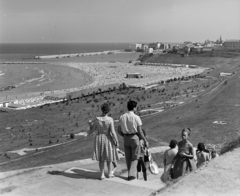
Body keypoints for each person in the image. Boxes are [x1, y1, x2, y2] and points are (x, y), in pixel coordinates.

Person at [118, 100, 149, 181]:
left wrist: (124, 136)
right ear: (134, 107)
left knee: (128, 157)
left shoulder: (122, 117)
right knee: (135, 157)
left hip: (125, 138)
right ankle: (131, 175)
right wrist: (145, 140)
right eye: (136, 107)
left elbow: (118, 130)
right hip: (134, 137)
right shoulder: (136, 117)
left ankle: (130, 173)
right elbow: (140, 131)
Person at [88, 103, 119, 180]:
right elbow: (113, 132)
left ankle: (102, 174)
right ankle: (109, 173)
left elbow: (92, 131)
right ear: (108, 110)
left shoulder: (97, 119)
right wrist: (116, 141)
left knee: (101, 158)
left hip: (99, 138)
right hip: (108, 138)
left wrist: (90, 124)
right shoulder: (110, 119)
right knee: (109, 157)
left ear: (102, 110)